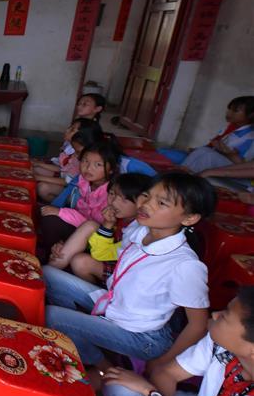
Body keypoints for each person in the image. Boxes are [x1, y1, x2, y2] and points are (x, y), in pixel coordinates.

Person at [43, 173, 214, 377]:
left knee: (51, 316)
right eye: (146, 196)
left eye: (161, 203)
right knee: (47, 274)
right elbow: (108, 255)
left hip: (142, 337)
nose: (146, 205)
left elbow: (198, 325)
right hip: (113, 306)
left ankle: (101, 365)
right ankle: (78, 335)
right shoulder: (140, 231)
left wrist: (163, 364)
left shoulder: (185, 265)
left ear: (189, 218)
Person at [101, 286, 254, 396]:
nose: (215, 315)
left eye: (225, 317)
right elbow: (167, 374)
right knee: (121, 386)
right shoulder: (220, 345)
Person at [47, 172, 152, 281]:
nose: (114, 202)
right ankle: (53, 267)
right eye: (112, 194)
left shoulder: (138, 231)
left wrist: (107, 226)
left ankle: (97, 293)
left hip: (123, 273)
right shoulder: (119, 217)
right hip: (107, 254)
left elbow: (100, 254)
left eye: (124, 199)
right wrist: (66, 246)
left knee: (80, 262)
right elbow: (95, 243)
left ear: (142, 204)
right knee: (90, 226)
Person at [37, 140, 118, 263]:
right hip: (78, 224)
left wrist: (61, 212)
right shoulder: (83, 180)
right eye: (85, 161)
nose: (89, 168)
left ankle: (53, 258)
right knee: (47, 216)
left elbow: (93, 225)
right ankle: (54, 250)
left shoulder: (111, 194)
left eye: (98, 165)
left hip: (94, 238)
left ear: (111, 169)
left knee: (52, 219)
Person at [33, 118, 103, 202]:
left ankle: (62, 207)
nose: (67, 130)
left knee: (43, 188)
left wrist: (40, 177)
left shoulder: (84, 159)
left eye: (72, 129)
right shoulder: (77, 151)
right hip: (67, 182)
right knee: (36, 169)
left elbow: (68, 182)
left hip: (75, 191)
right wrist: (39, 165)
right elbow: (63, 169)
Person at [180, 96, 254, 172]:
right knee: (203, 151)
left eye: (235, 111)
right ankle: (179, 174)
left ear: (251, 115)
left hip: (240, 173)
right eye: (230, 109)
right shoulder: (234, 128)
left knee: (208, 156)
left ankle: (181, 176)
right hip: (228, 163)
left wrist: (230, 154)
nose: (229, 112)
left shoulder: (250, 137)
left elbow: (245, 166)